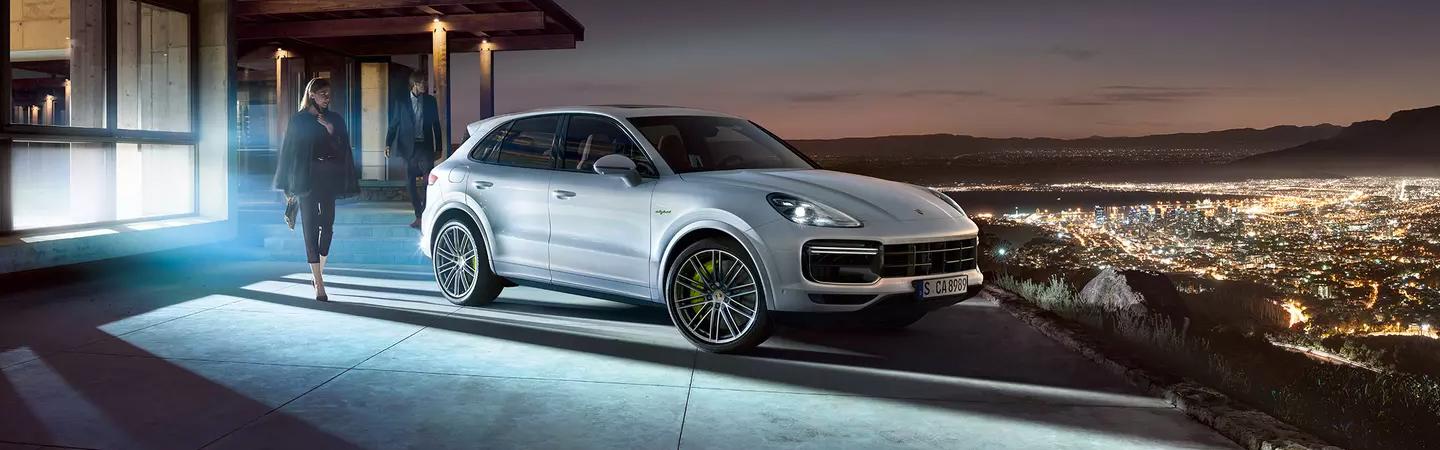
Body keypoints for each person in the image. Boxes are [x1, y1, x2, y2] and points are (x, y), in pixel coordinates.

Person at [274, 77, 359, 301]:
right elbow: (289, 153)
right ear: (312, 94)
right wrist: (287, 185)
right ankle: (319, 284)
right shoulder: (299, 120)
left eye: (329, 94)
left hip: (328, 177)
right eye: (322, 94)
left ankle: (318, 273)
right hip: (306, 179)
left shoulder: (335, 119)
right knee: (310, 228)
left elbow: (344, 150)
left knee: (328, 225)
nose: (326, 98)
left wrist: (330, 129)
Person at [385, 72, 443, 228]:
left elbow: (436, 125)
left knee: (428, 181)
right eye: (423, 82)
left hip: (425, 145)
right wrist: (388, 143)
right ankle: (418, 214)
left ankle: (425, 214)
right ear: (415, 84)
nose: (425, 85)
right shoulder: (402, 102)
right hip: (408, 146)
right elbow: (394, 124)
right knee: (410, 182)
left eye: (425, 82)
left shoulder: (430, 101)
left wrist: (439, 147)